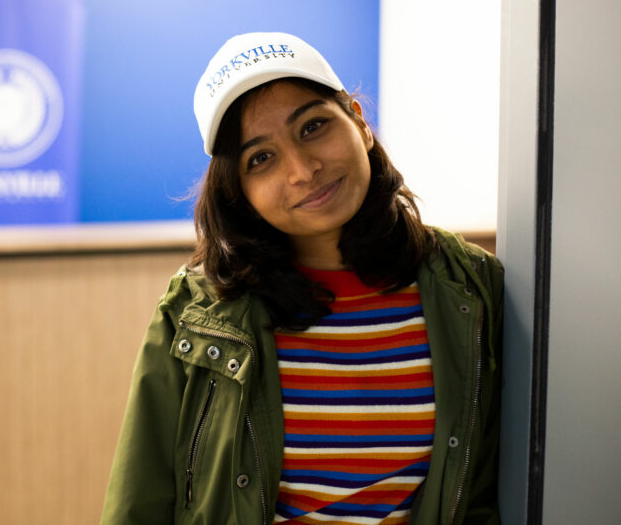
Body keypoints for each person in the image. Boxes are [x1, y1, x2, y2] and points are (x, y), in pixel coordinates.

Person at [100, 32, 503, 525]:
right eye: (261, 158)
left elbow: (488, 485)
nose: (303, 170)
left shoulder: (469, 285)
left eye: (313, 127)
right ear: (238, 188)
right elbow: (140, 499)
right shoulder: (197, 311)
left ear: (358, 121)